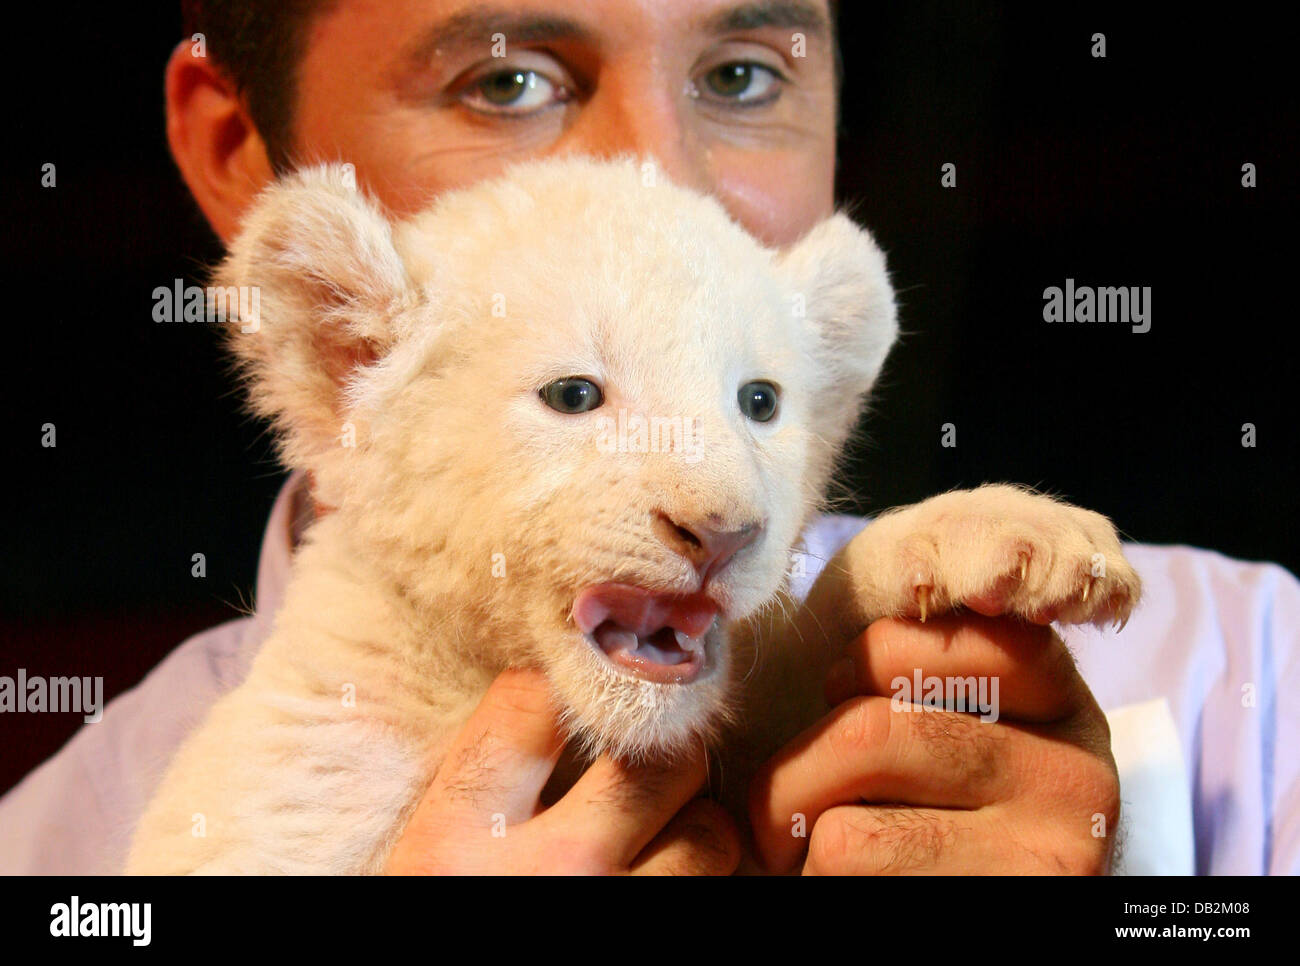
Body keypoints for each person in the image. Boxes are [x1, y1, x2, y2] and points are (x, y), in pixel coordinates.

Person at [2, 0, 1296, 875]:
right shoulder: (59, 850)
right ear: (242, 159)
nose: (660, 193)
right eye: (505, 81)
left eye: (743, 76)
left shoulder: (1258, 679)